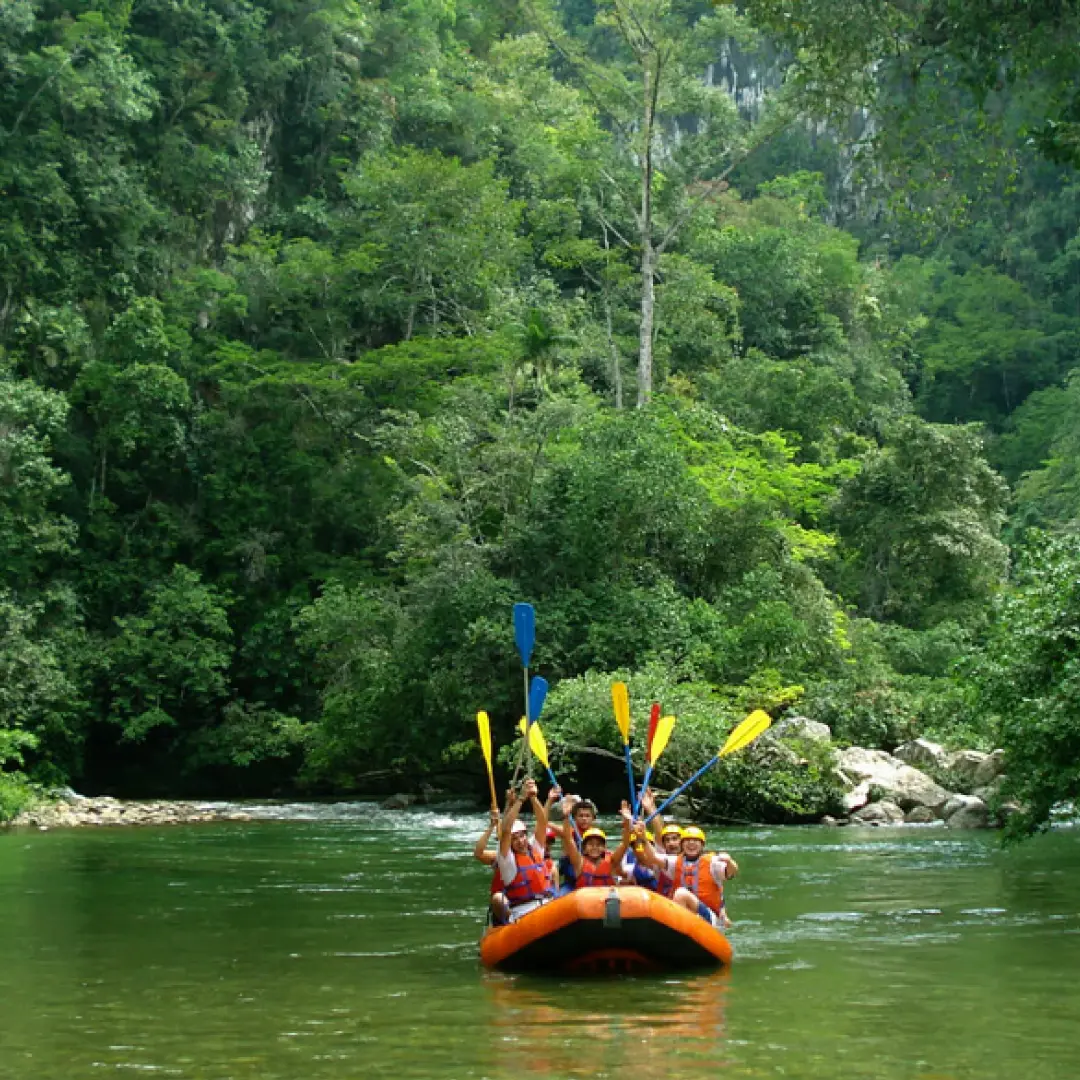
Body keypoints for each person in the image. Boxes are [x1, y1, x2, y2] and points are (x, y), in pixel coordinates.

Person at [638, 823, 737, 928]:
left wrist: (729, 861)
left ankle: (678, 928)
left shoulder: (713, 862)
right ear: (682, 845)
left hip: (710, 917)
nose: (691, 843)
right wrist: (643, 836)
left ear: (702, 845)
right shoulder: (675, 862)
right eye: (687, 841)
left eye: (695, 841)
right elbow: (652, 857)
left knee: (681, 894)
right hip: (689, 914)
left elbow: (732, 872)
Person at [490, 779, 555, 925]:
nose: (520, 841)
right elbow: (506, 831)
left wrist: (533, 797)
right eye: (515, 839)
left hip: (548, 906)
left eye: (522, 836)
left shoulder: (535, 848)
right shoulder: (508, 861)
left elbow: (542, 822)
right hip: (523, 912)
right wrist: (520, 799)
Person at [563, 801, 632, 888]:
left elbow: (625, 844)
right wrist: (566, 817)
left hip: (606, 899)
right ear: (584, 848)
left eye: (599, 844)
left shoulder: (612, 862)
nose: (595, 847)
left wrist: (627, 821)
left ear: (604, 847)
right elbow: (568, 840)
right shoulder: (579, 862)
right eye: (591, 844)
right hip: (584, 899)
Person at [556, 794, 599, 894]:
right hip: (571, 883)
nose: (584, 819)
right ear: (574, 818)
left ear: (593, 818)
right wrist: (566, 816)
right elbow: (567, 837)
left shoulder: (597, 836)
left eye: (587, 816)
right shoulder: (569, 834)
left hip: (592, 881)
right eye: (581, 816)